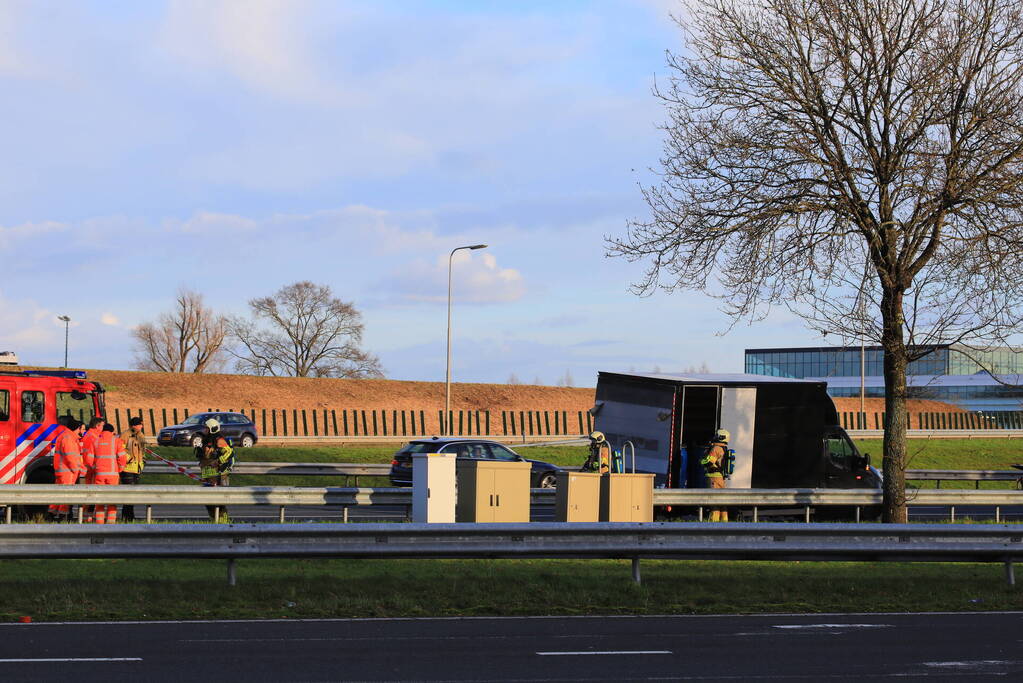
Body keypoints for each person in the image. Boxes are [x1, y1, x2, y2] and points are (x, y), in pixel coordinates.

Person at [83, 424, 127, 524]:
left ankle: (99, 523)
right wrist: (120, 469)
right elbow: (122, 458)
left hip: (99, 475)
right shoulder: (116, 441)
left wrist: (95, 468)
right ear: (112, 432)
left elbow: (89, 459)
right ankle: (110, 523)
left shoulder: (96, 441)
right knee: (112, 500)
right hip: (113, 475)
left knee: (99, 500)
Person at [195, 418, 234, 522]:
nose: (205, 430)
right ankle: (214, 522)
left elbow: (229, 452)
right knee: (208, 502)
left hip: (219, 475)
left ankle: (224, 523)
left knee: (219, 502)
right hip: (207, 475)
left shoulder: (219, 440)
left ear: (212, 428)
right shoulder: (206, 440)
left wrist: (218, 461)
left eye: (207, 428)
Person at [49, 418, 86, 522]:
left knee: (59, 494)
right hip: (67, 471)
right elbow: (70, 457)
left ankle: (52, 514)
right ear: (76, 428)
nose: (82, 431)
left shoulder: (67, 436)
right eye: (81, 429)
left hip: (63, 470)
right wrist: (77, 470)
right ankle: (63, 517)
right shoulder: (69, 438)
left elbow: (73, 457)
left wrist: (81, 468)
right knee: (66, 495)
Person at [119, 416, 146, 522]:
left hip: (137, 469)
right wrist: (129, 459)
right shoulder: (125, 435)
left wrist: (142, 461)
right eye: (140, 424)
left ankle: (130, 516)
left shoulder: (140, 435)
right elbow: (121, 450)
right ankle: (126, 516)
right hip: (127, 469)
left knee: (133, 495)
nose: (142, 426)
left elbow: (142, 451)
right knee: (127, 495)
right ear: (134, 425)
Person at [79, 417, 106, 522]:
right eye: (102, 425)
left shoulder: (89, 435)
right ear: (97, 426)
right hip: (91, 468)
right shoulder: (94, 437)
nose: (103, 428)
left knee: (89, 494)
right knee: (91, 494)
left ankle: (87, 517)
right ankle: (87, 518)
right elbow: (93, 454)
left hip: (87, 468)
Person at [701, 429, 731, 522]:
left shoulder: (716, 448)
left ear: (721, 437)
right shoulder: (723, 448)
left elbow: (709, 462)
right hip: (721, 478)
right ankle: (724, 523)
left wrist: (702, 460)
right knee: (722, 502)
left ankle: (713, 524)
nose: (715, 437)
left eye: (717, 435)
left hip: (713, 478)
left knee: (714, 501)